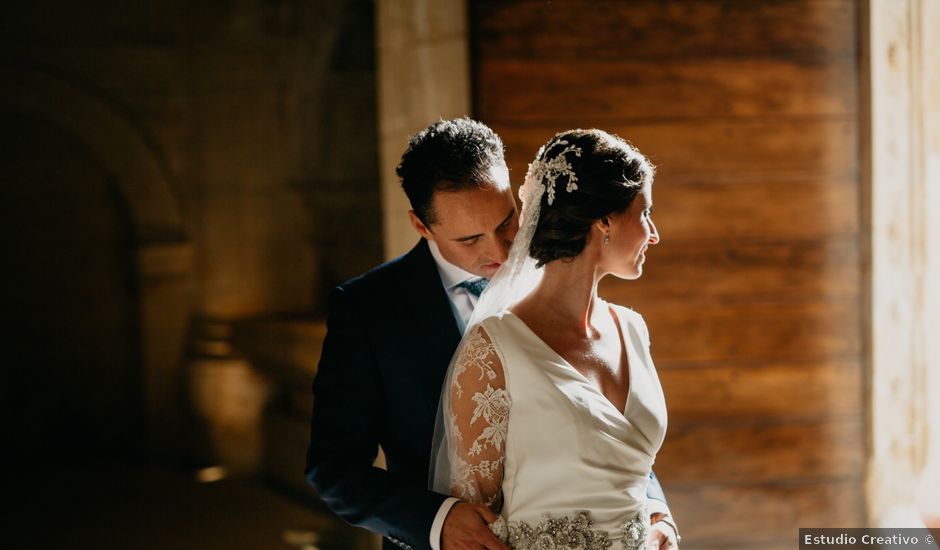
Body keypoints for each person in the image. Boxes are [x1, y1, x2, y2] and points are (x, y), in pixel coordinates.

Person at [306, 119, 677, 550]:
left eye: (507, 223)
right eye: (470, 238)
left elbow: (601, 428)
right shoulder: (370, 309)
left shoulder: (567, 271)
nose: (500, 251)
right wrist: (437, 521)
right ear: (422, 225)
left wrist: (652, 508)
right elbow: (333, 468)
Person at [430, 129, 680, 549]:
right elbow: (475, 521)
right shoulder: (493, 350)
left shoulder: (632, 329)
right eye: (645, 213)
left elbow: (632, 475)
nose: (653, 234)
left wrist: (659, 521)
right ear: (604, 221)